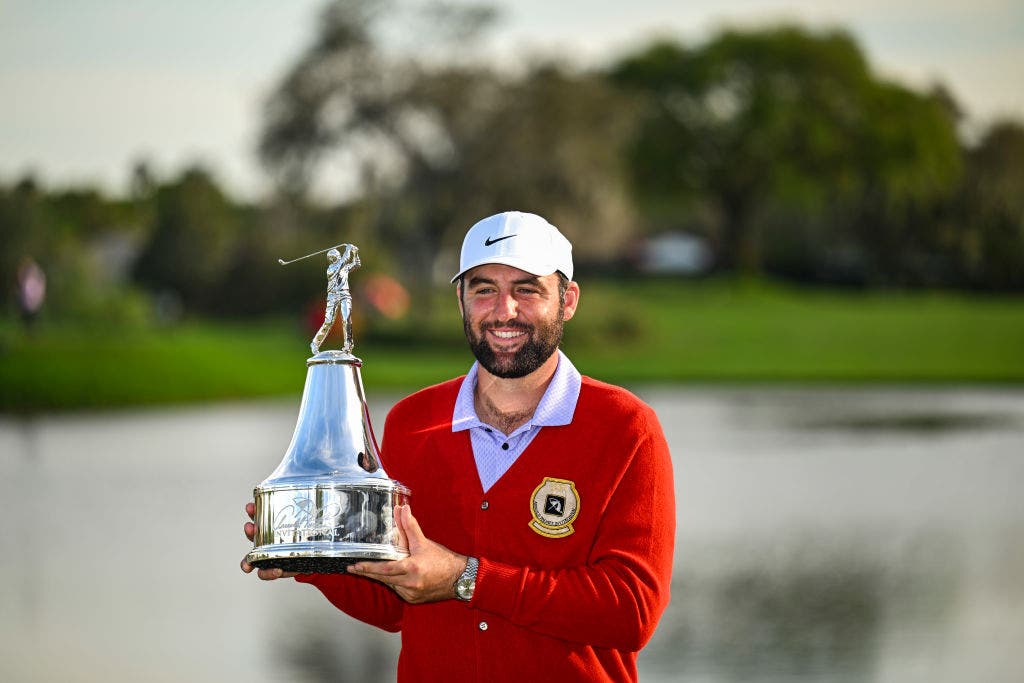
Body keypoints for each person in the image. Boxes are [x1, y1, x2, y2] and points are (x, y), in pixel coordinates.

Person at [243, 211, 675, 682]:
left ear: (567, 300)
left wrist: (465, 578)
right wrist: (310, 553)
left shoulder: (626, 427)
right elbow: (394, 603)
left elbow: (632, 611)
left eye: (527, 290)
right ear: (461, 299)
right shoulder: (412, 422)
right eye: (484, 289)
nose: (504, 311)